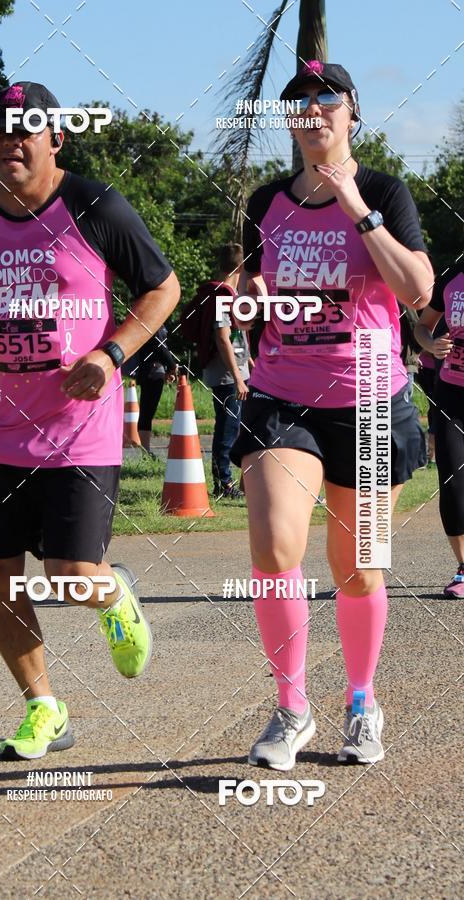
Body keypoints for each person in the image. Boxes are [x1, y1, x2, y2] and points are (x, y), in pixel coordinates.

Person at [0, 81, 180, 760]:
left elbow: (163, 286)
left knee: (67, 573)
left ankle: (113, 594)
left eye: (25, 129)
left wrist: (112, 352)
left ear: (56, 139)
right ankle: (44, 709)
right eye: (0, 130)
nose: (11, 141)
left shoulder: (96, 206)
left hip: (79, 428)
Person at [231, 61, 433, 769]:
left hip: (371, 398)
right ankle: (291, 708)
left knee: (357, 570)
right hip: (283, 396)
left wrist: (357, 208)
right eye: (299, 101)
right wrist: (248, 297)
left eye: (327, 97)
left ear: (351, 111)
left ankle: (361, 701)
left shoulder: (384, 191)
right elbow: (254, 284)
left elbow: (417, 290)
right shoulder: (266, 201)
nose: (313, 109)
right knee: (273, 547)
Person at [414, 261, 464, 597]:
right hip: (452, 393)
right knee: (453, 480)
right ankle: (463, 567)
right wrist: (431, 345)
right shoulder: (451, 276)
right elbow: (422, 326)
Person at [201, 243, 253, 498]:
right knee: (227, 428)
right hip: (227, 375)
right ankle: (223, 484)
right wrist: (237, 377)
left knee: (235, 426)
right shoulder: (222, 296)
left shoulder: (230, 294)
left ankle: (229, 481)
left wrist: (249, 361)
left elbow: (235, 336)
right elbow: (222, 338)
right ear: (241, 267)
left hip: (237, 371)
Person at [132, 325, 177, 454]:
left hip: (150, 370)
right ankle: (145, 450)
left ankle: (145, 450)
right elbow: (161, 347)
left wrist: (168, 368)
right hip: (153, 371)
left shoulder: (151, 324)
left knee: (147, 411)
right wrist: (172, 366)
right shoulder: (155, 324)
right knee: (147, 411)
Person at [415, 315, 447, 465]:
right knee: (437, 410)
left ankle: (431, 453)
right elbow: (419, 330)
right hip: (428, 366)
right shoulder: (434, 307)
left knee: (437, 410)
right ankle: (431, 454)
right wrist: (431, 346)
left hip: (445, 368)